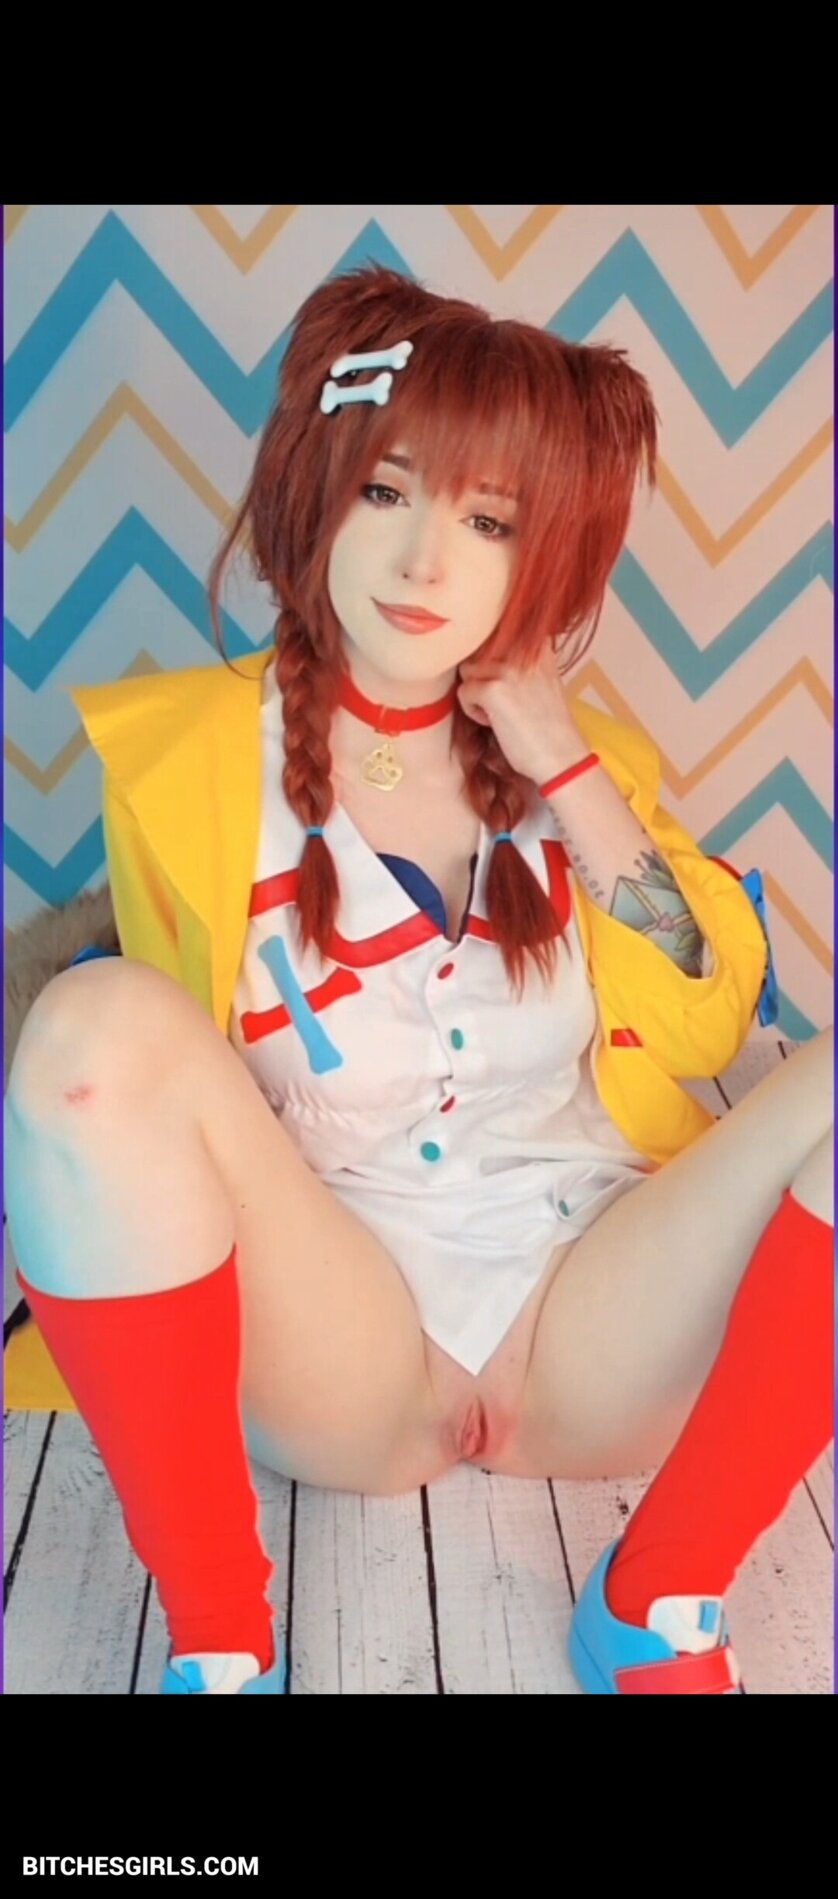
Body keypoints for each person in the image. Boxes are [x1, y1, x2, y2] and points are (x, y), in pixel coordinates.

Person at [5, 264, 833, 1697]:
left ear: (542, 554)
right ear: (315, 490)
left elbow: (707, 1024)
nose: (423, 562)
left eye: (489, 521)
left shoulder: (592, 774)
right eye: (387, 492)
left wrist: (560, 756)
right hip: (340, 1337)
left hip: (596, 1316)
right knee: (89, 1024)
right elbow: (142, 1084)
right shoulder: (187, 763)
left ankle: (659, 1598)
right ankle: (218, 1644)